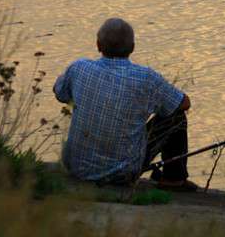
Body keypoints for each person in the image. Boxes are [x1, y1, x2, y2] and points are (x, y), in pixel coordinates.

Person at [53, 18, 198, 191]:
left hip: (77, 167)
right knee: (176, 116)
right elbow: (184, 104)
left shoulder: (78, 67)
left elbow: (60, 93)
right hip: (123, 173)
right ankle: (173, 179)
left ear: (98, 46)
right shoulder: (147, 78)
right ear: (132, 48)